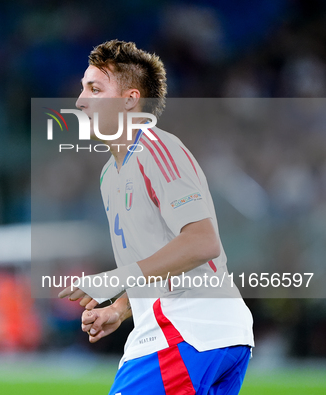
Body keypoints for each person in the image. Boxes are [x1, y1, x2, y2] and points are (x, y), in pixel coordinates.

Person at [58, 40, 254, 395]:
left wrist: (116, 278)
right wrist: (119, 309)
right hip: (189, 333)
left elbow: (202, 242)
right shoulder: (110, 175)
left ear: (130, 100)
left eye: (95, 89)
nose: (80, 101)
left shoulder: (156, 148)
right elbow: (160, 260)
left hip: (187, 329)